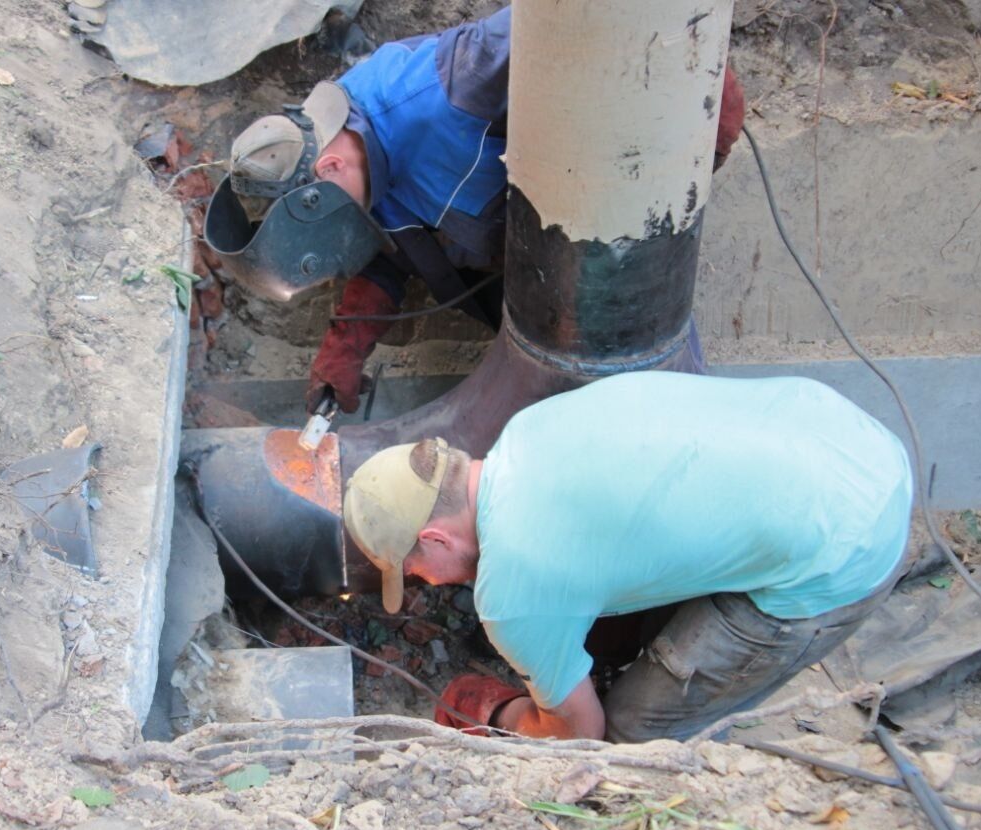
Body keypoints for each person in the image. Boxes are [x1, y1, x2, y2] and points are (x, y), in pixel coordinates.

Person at [205, 6, 746, 414]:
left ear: (325, 174)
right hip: (528, 310)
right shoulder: (361, 163)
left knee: (658, 413)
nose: (343, 246)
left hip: (614, 281)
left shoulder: (454, 84)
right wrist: (344, 348)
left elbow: (614, 19)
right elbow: (391, 252)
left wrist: (698, 141)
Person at [341, 372, 913, 742]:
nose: (425, 582)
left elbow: (582, 736)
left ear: (438, 538)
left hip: (847, 547)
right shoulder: (530, 429)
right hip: (848, 435)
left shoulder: (513, 595)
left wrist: (500, 716)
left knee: (632, 736)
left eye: (412, 567)